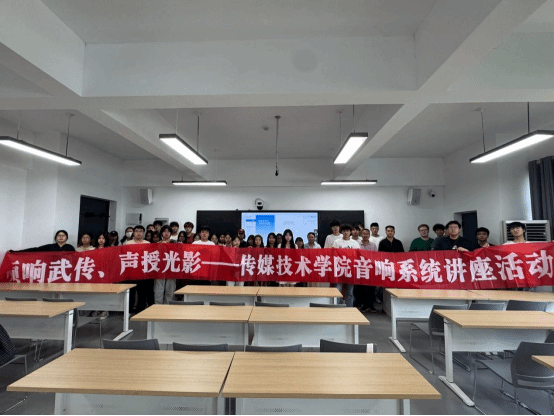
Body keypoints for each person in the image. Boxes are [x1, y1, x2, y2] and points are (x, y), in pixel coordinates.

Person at [332, 224, 360, 308]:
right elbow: (332, 254)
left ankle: (349, 308)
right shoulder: (337, 242)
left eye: (347, 231)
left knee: (350, 292)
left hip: (350, 270)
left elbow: (358, 256)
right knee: (338, 290)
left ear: (350, 232)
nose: (346, 233)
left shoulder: (355, 243)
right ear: (341, 232)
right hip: (339, 269)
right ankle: (336, 307)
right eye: (344, 231)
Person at [357, 228, 378, 313]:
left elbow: (376, 256)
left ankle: (371, 305)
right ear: (361, 235)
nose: (365, 235)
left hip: (370, 269)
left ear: (369, 235)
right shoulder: (357, 244)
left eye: (367, 234)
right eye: (363, 233)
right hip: (361, 268)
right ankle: (364, 305)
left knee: (371, 288)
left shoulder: (373, 245)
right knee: (362, 288)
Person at [155, 225, 176, 304]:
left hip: (171, 268)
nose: (166, 233)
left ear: (171, 233)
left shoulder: (175, 243)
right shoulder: (157, 244)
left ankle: (168, 307)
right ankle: (158, 307)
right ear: (161, 233)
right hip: (160, 268)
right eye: (164, 231)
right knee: (158, 290)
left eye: (168, 231)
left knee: (170, 290)